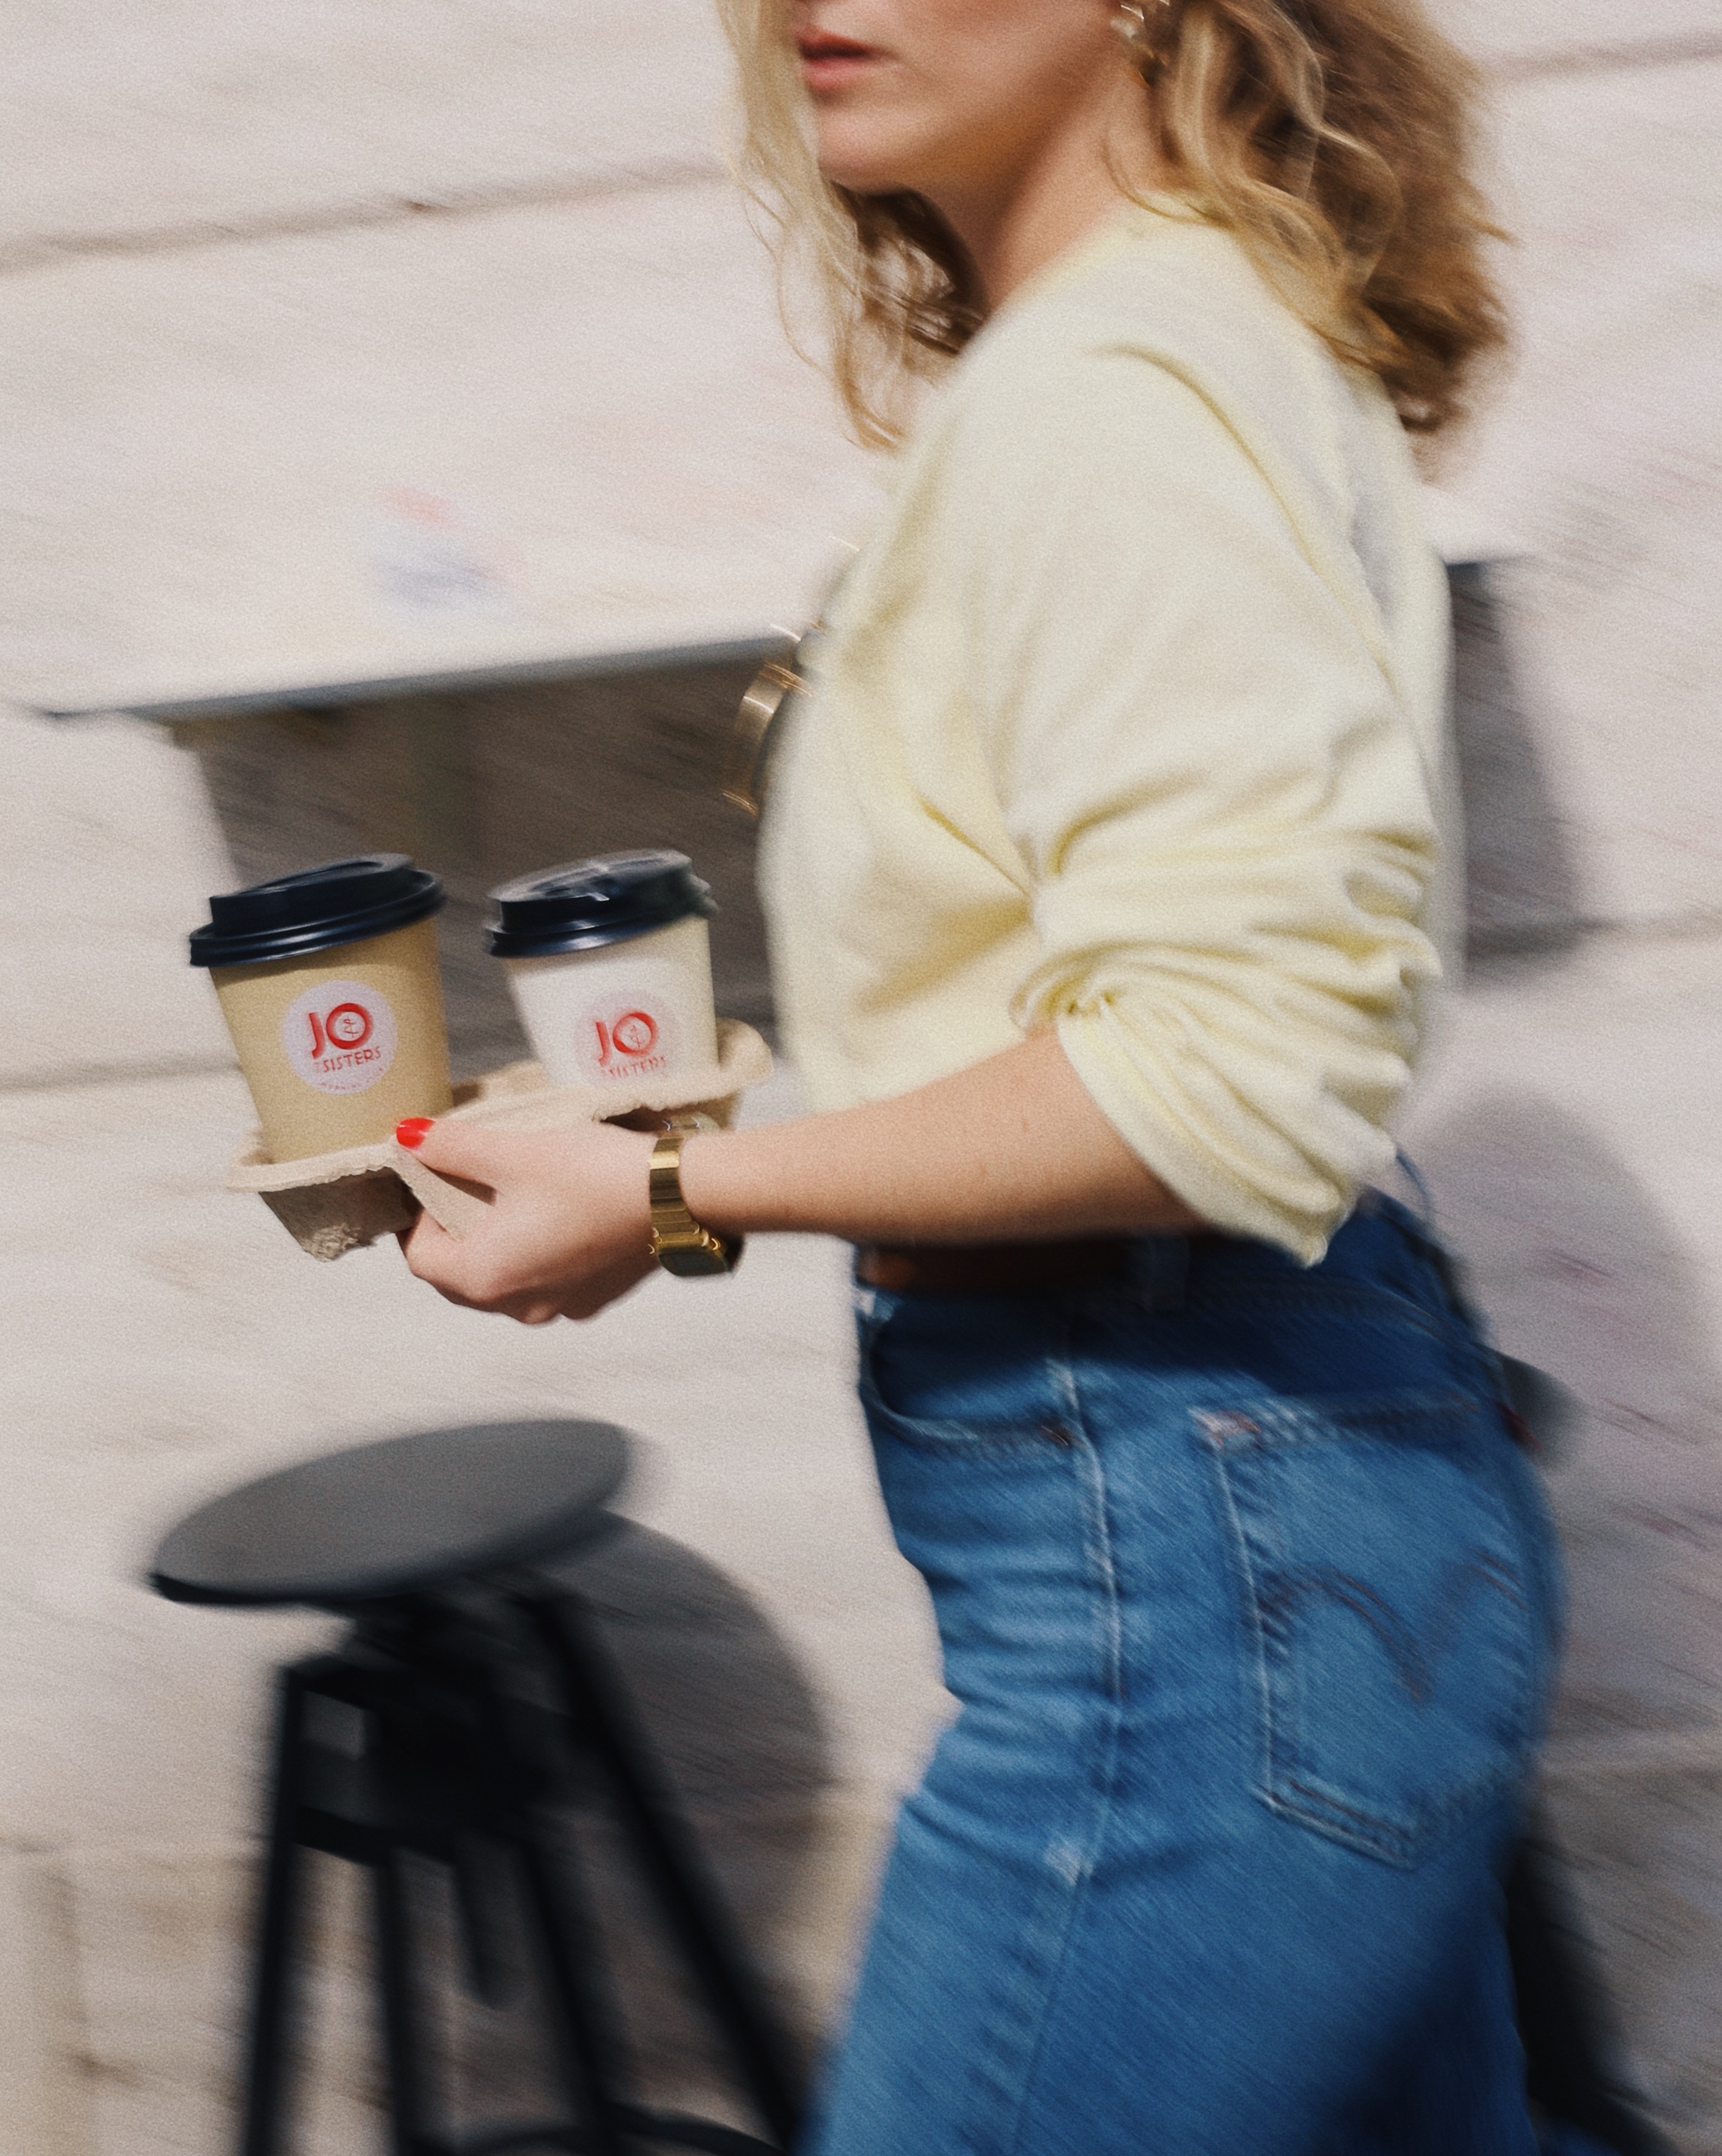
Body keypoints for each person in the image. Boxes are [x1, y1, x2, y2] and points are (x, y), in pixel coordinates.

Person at [396, 0, 1566, 2147]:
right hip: (1266, 1488)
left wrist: (673, 1197)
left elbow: (1226, 1075)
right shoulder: (1149, 342)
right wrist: (671, 1149)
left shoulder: (1118, 383)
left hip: (1191, 1533)